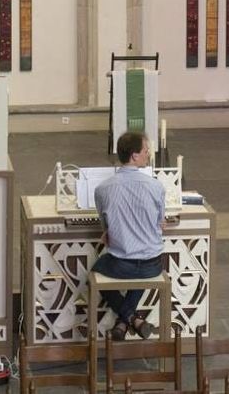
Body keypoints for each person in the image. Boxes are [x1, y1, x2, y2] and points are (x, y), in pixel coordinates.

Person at [91, 131, 165, 342]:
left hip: (121, 265)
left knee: (96, 270)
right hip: (153, 264)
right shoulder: (156, 186)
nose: (148, 154)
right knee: (140, 269)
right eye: (146, 151)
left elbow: (106, 230)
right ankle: (133, 319)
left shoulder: (102, 189)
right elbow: (160, 222)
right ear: (134, 155)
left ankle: (127, 319)